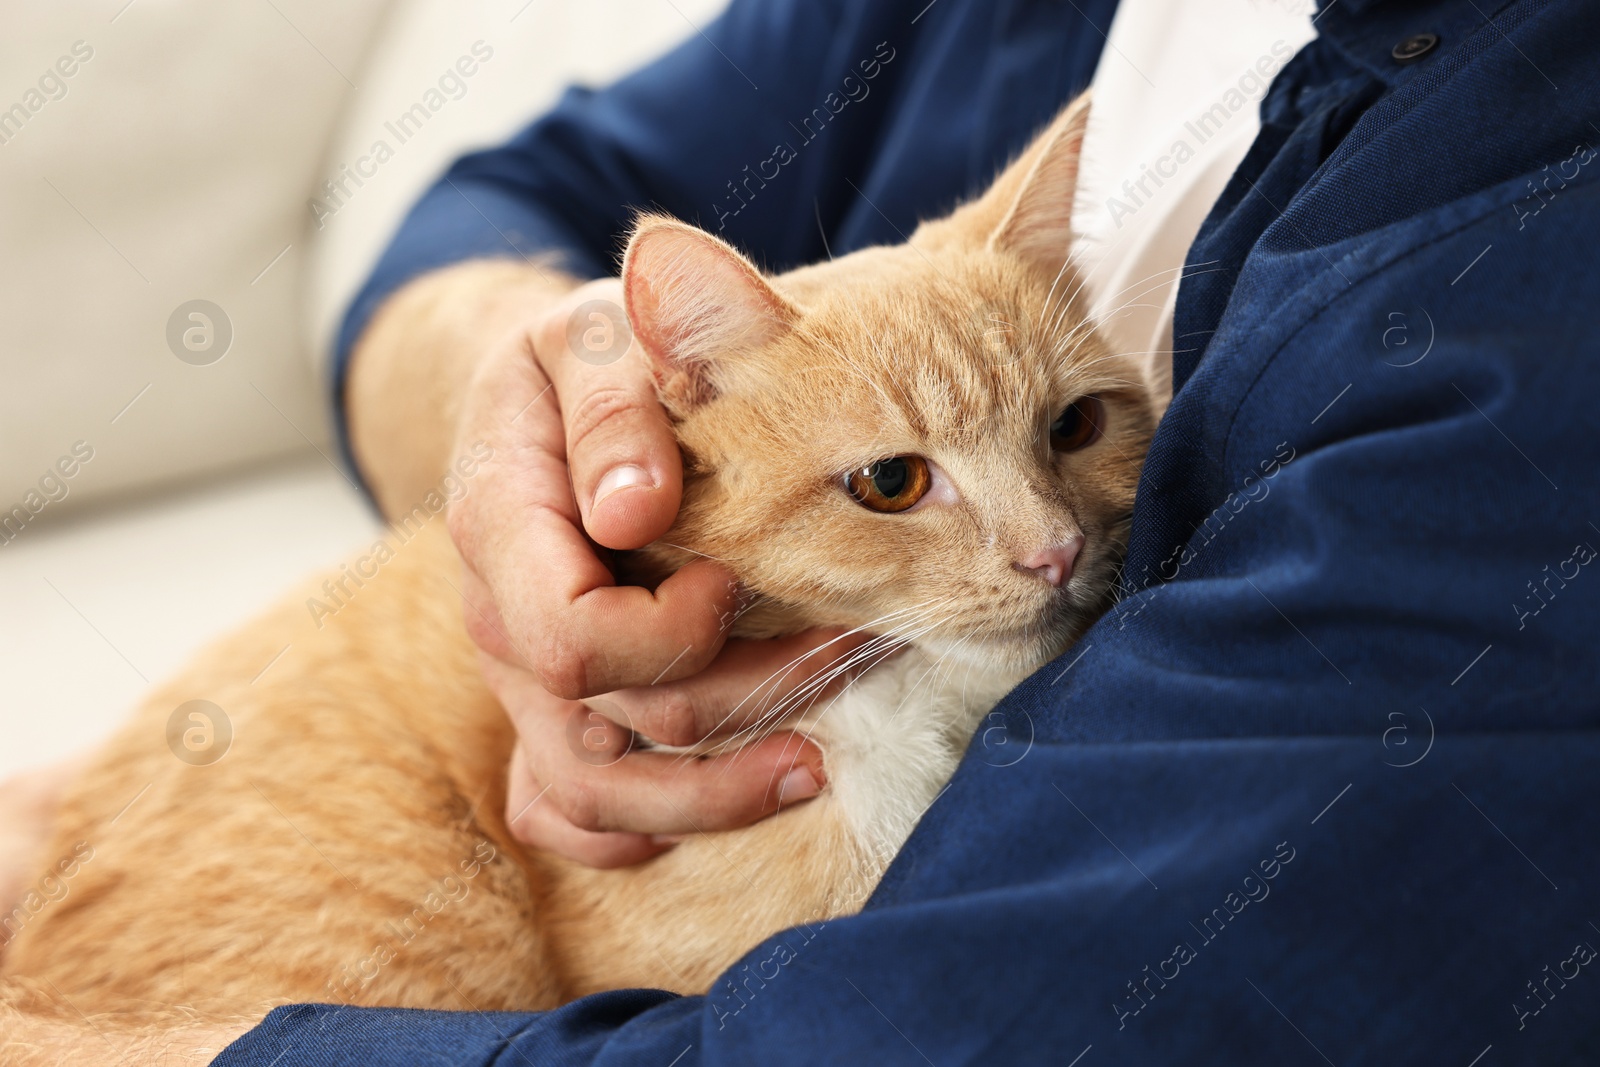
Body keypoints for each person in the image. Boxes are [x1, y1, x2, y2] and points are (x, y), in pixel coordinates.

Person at [11, 0, 1600, 1061]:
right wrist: (534, 418)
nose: (1049, 543)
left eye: (1072, 431)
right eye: (900, 483)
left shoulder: (1523, 266)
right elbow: (524, 187)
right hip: (341, 815)